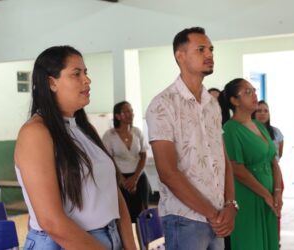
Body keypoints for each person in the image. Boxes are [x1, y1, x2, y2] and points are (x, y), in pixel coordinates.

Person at [14, 45, 136, 250]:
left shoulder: (84, 129)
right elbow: (51, 222)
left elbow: (113, 194)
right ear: (52, 83)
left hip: (109, 237)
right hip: (64, 244)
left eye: (86, 73)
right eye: (76, 74)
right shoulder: (36, 133)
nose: (87, 80)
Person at [146, 27, 237, 250]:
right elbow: (168, 172)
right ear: (180, 56)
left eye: (211, 49)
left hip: (218, 220)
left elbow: (223, 160)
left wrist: (230, 205)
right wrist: (212, 213)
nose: (209, 55)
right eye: (201, 49)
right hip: (184, 220)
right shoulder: (163, 104)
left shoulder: (212, 104)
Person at [218, 78, 283, 250]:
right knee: (252, 243)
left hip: (268, 196)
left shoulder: (258, 125)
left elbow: (273, 160)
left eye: (254, 90)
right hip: (249, 196)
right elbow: (236, 169)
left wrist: (277, 192)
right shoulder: (230, 129)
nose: (254, 95)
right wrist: (266, 195)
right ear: (234, 101)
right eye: (248, 92)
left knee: (270, 242)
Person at [102, 101, 151, 223]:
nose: (131, 114)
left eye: (131, 111)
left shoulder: (137, 132)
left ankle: (143, 240)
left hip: (138, 178)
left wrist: (134, 178)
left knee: (142, 213)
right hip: (119, 179)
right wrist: (122, 180)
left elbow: (143, 156)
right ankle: (126, 241)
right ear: (118, 116)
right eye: (126, 111)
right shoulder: (109, 135)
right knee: (124, 215)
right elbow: (109, 159)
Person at [252, 100, 284, 242]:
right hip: (257, 176)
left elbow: (279, 155)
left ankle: (275, 240)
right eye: (259, 110)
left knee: (275, 208)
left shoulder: (276, 132)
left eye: (265, 110)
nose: (262, 114)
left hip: (274, 174)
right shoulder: (249, 130)